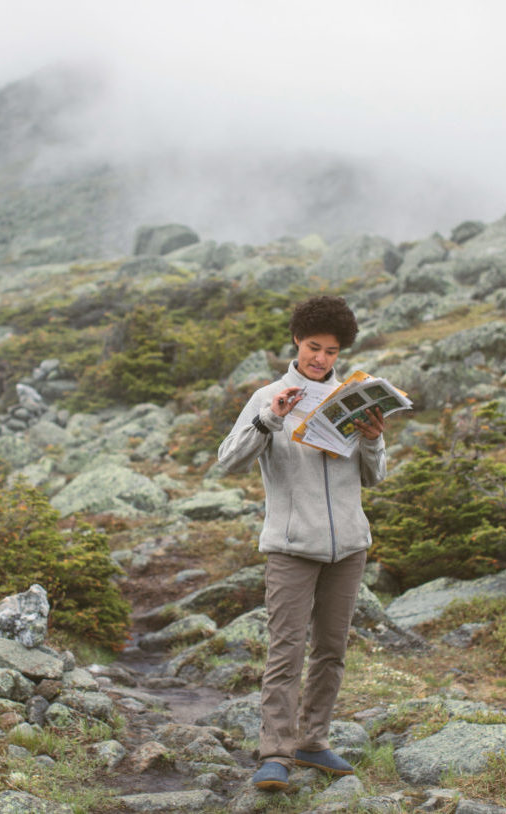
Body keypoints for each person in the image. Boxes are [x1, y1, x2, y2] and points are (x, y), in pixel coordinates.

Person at [217, 295, 387, 791]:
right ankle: (276, 752)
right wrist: (270, 420)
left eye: (332, 352)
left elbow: (374, 478)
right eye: (315, 348)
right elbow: (228, 461)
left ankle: (314, 742)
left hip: (349, 547)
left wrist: (373, 439)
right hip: (291, 547)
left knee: (331, 650)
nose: (322, 359)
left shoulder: (354, 395)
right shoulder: (268, 397)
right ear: (297, 340)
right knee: (287, 650)